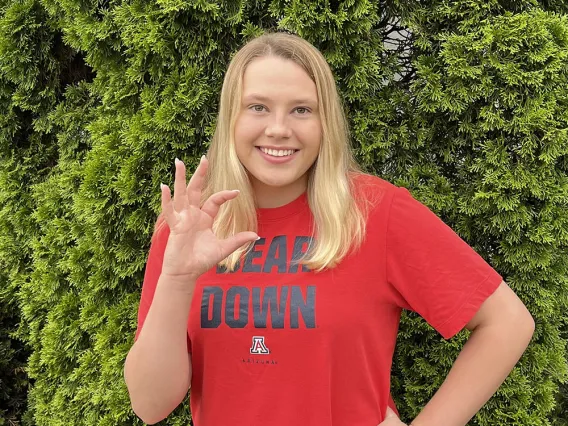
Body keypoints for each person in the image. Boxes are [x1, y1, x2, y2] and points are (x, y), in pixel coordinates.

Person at [123, 32, 535, 426]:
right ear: (231, 116)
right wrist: (177, 277)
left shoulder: (375, 212)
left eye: (301, 109)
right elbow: (150, 404)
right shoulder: (191, 226)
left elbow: (507, 322)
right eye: (258, 107)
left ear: (326, 122)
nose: (279, 128)